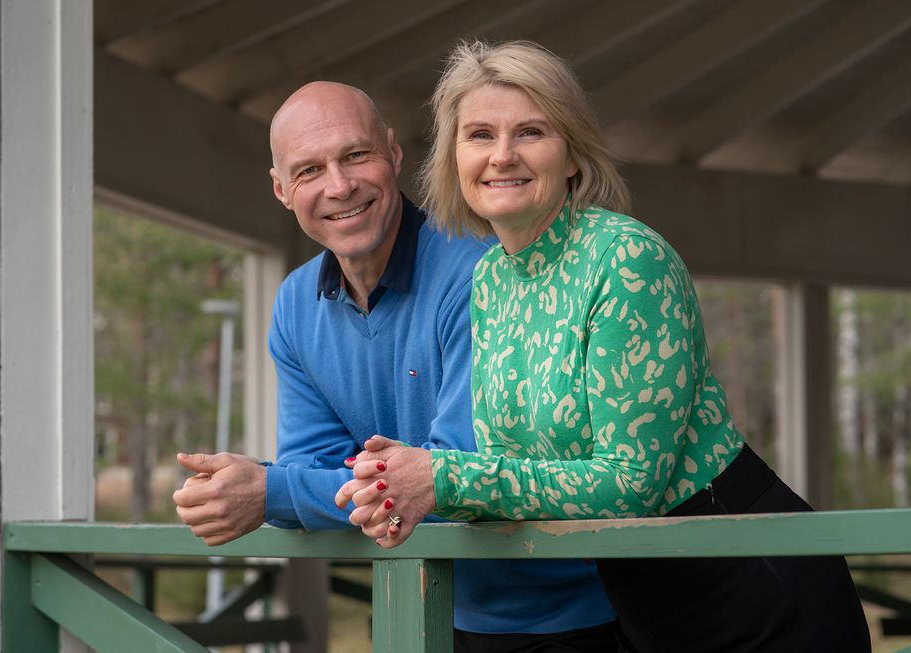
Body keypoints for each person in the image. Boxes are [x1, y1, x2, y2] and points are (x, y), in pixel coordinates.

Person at [336, 41, 872, 652]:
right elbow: (515, 467)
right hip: (644, 600)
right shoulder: (490, 280)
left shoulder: (625, 259)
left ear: (570, 153)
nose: (502, 156)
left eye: (530, 132)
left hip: (748, 580)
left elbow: (631, 484)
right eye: (479, 134)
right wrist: (394, 483)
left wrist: (445, 476)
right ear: (454, 157)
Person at [172, 81, 618, 652]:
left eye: (356, 155)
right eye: (309, 171)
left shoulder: (480, 271)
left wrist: (272, 493)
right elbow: (310, 467)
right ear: (282, 190)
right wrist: (275, 487)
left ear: (393, 153)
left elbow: (453, 479)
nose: (340, 186)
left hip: (569, 615)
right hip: (420, 607)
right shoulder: (294, 304)